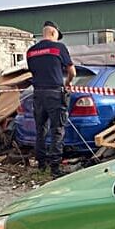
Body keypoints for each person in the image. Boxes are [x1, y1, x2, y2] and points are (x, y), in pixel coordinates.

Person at [26, 21, 76, 178]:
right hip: (55, 93)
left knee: (40, 130)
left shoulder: (31, 51)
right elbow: (72, 72)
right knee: (57, 130)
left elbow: (33, 72)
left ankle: (41, 165)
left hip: (38, 94)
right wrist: (68, 83)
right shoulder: (59, 48)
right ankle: (55, 168)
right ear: (54, 33)